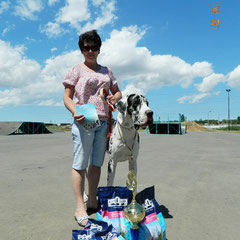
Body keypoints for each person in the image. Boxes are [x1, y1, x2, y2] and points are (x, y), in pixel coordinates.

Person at [62, 30, 122, 227]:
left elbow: (118, 92)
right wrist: (74, 112)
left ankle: (93, 199)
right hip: (84, 120)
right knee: (80, 162)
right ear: (81, 49)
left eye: (94, 48)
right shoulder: (75, 70)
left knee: (96, 163)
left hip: (104, 121)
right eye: (86, 47)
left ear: (99, 49)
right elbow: (67, 97)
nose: (90, 51)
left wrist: (115, 97)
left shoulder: (107, 71)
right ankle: (80, 205)